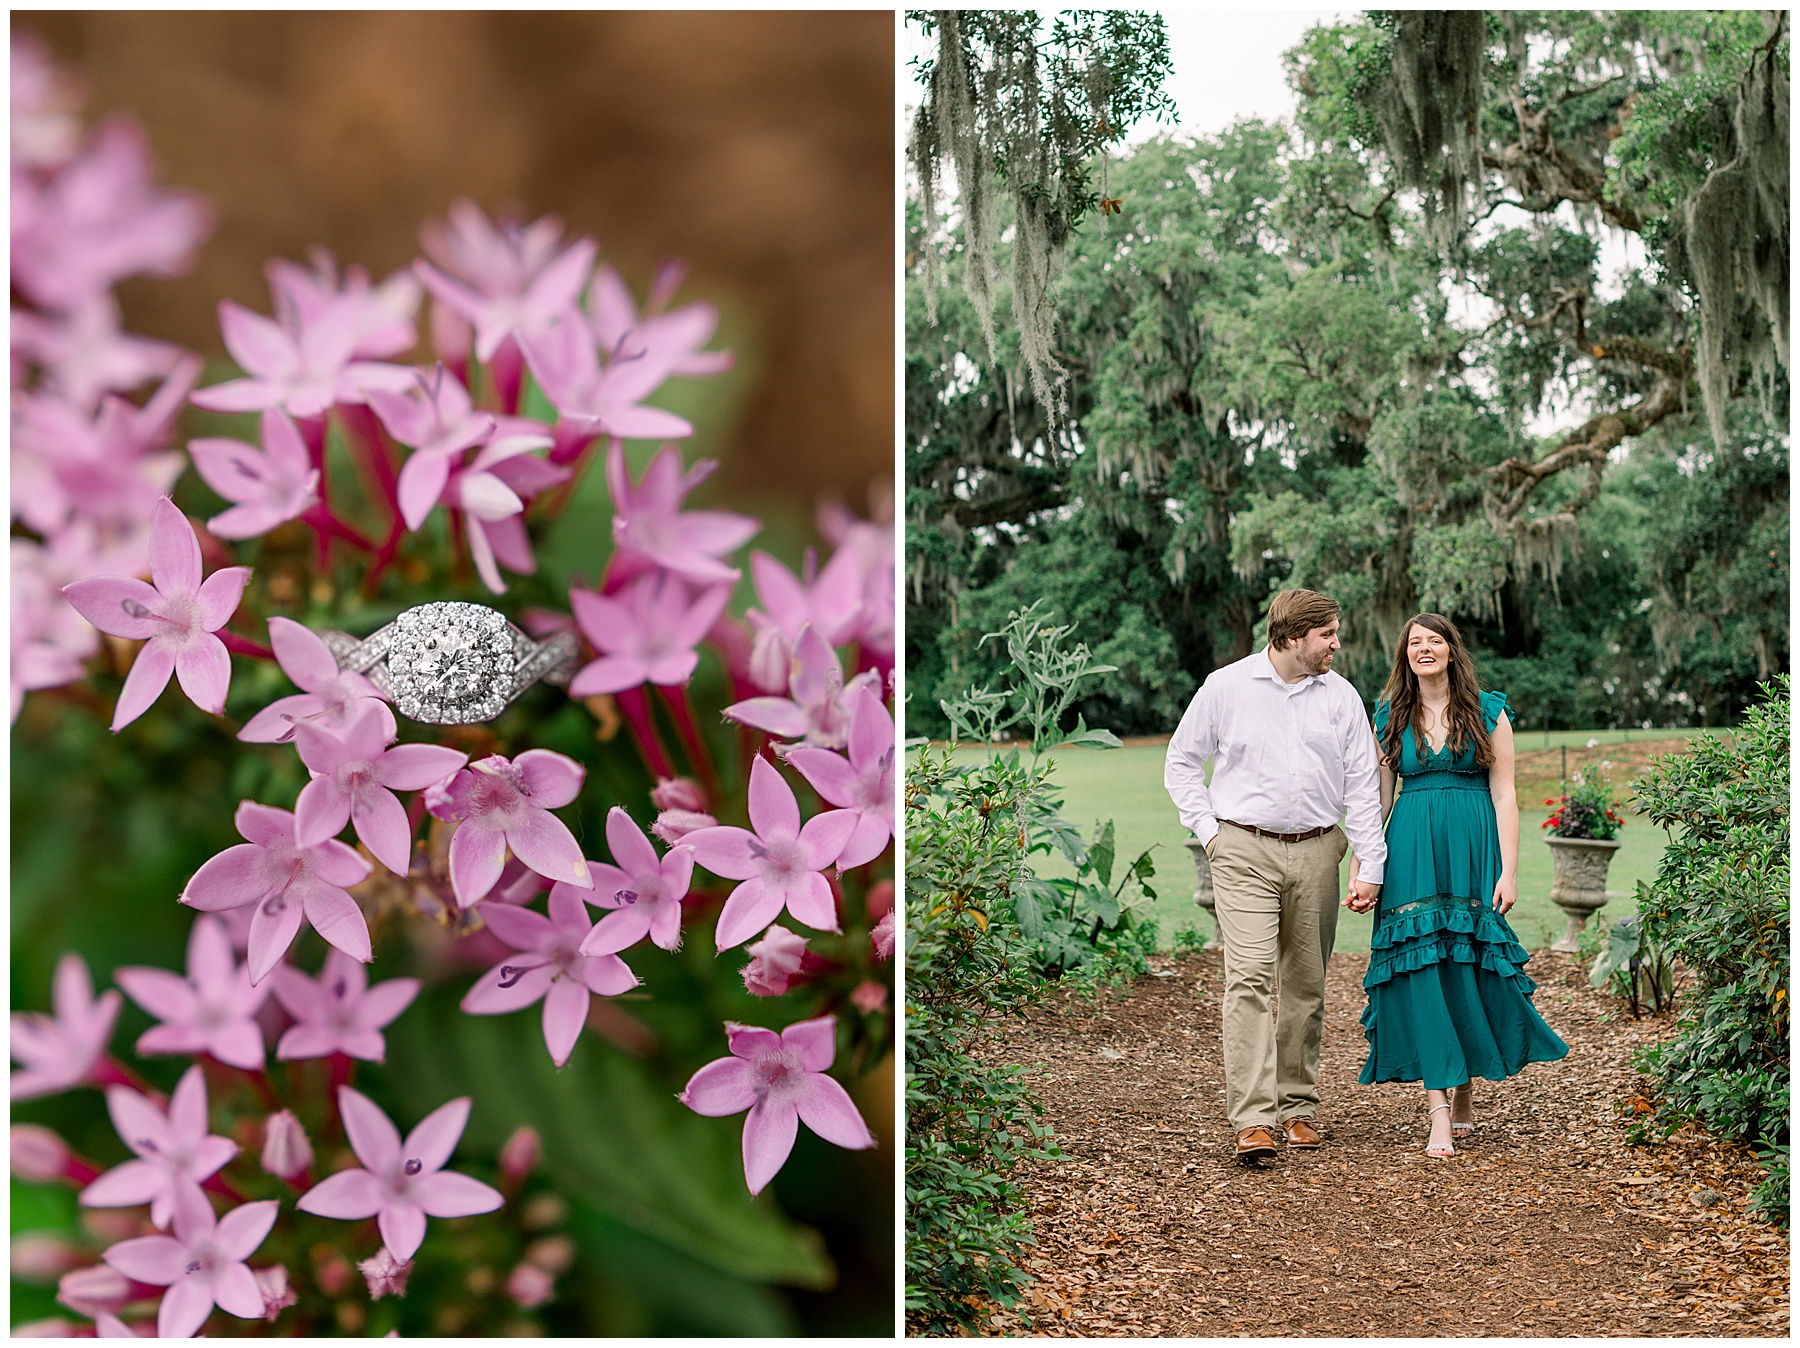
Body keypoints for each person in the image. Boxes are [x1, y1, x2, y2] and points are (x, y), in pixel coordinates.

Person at [1164, 589, 1387, 1163]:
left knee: (1307, 983)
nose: (1337, 644)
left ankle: (1298, 1106)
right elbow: (1181, 762)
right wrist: (1211, 835)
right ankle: (1254, 1119)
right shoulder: (1226, 687)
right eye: (1327, 635)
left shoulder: (1341, 697)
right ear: (1291, 638)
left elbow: (1363, 787)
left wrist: (1371, 864)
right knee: (1249, 978)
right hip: (1242, 850)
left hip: (1318, 850)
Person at [1347, 613, 1570, 1157]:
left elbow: (1505, 794)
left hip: (1473, 848)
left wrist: (1509, 871)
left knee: (1466, 964)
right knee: (1423, 969)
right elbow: (1377, 801)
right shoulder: (1389, 716)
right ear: (1404, 655)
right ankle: (1438, 1113)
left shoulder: (1488, 711)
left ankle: (1465, 1083)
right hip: (1411, 852)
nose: (1424, 649)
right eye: (1414, 643)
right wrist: (1363, 867)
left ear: (1451, 649)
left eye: (1434, 640)